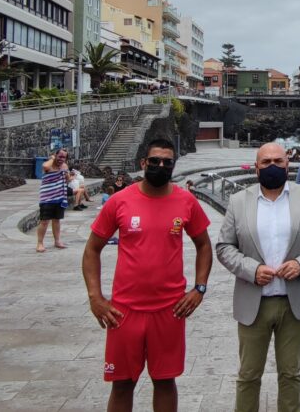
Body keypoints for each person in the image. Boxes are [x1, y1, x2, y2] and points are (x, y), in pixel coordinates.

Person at [82, 138, 213, 412]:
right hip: (124, 311)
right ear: (143, 163)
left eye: (167, 162)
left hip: (169, 310)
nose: (160, 166)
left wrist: (199, 289)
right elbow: (92, 250)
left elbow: (203, 245)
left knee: (165, 381)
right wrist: (95, 297)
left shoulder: (186, 201)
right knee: (122, 384)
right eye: (154, 161)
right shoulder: (120, 201)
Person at [216, 142, 300, 412]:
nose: (273, 166)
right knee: (248, 375)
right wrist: (251, 269)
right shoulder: (238, 201)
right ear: (256, 167)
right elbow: (224, 247)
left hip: (295, 304)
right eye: (266, 162)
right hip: (253, 303)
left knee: (291, 374)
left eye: (278, 161)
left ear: (288, 164)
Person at [36, 149, 70, 252]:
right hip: (47, 198)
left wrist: (67, 175)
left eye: (64, 157)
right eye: (60, 156)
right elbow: (45, 167)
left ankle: (57, 240)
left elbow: (67, 179)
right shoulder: (49, 165)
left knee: (56, 220)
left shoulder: (64, 166)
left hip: (59, 198)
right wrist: (53, 158)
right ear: (55, 155)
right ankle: (40, 243)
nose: (61, 159)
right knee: (44, 222)